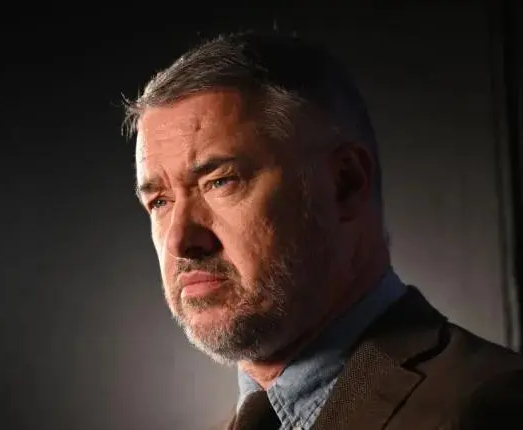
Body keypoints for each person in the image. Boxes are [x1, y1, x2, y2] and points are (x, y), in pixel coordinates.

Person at [122, 31, 523, 430]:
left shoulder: (487, 405)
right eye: (159, 201)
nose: (179, 241)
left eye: (221, 181)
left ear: (344, 184)